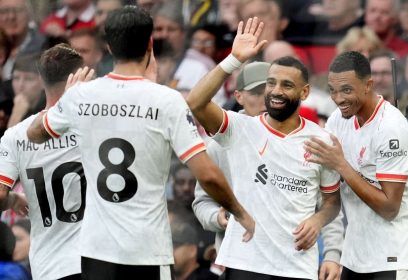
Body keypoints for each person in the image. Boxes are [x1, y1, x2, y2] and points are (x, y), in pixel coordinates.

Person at [26, 6, 254, 280]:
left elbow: (35, 134)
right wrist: (240, 213)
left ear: (109, 46)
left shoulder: (81, 97)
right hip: (146, 249)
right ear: (149, 43)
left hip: (95, 250)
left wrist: (66, 100)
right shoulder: (165, 100)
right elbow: (206, 174)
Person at [187, 17, 341, 280]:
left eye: (286, 85)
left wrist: (317, 222)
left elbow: (331, 203)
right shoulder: (240, 128)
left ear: (305, 93)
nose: (275, 91)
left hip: (297, 266)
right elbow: (196, 102)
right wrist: (233, 60)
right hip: (245, 262)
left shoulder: (321, 140)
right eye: (271, 83)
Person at [304, 51, 408, 279]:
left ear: (368, 85)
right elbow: (326, 184)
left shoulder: (390, 126)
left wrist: (341, 164)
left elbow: (389, 208)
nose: (338, 99)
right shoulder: (338, 119)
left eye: (347, 90)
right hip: (354, 256)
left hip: (393, 256)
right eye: (332, 90)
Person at [0, 43, 89, 280]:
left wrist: (10, 199)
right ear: (80, 76)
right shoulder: (93, 125)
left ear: (41, 79)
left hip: (49, 268)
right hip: (97, 262)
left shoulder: (15, 136)